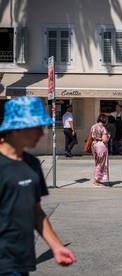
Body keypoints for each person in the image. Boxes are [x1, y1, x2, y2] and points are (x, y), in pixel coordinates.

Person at [0, 97, 76, 275]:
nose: (42, 133)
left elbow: (35, 210)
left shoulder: (32, 164)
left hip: (21, 260)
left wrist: (56, 246)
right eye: (37, 127)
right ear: (19, 128)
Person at [91, 114, 110, 186]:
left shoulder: (93, 126)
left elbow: (93, 136)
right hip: (101, 146)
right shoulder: (103, 128)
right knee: (101, 164)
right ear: (104, 120)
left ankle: (96, 179)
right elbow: (105, 140)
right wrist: (108, 137)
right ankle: (97, 180)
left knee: (97, 163)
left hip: (94, 145)